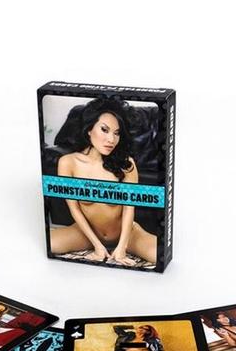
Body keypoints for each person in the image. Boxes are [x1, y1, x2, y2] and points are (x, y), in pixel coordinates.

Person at [49, 97, 156, 266]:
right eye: (104, 130)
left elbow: (129, 208)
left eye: (117, 133)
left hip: (128, 235)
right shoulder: (68, 163)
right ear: (89, 129)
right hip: (86, 234)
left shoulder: (126, 164)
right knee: (49, 244)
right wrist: (97, 246)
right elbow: (74, 209)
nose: (111, 140)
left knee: (158, 255)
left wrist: (122, 247)